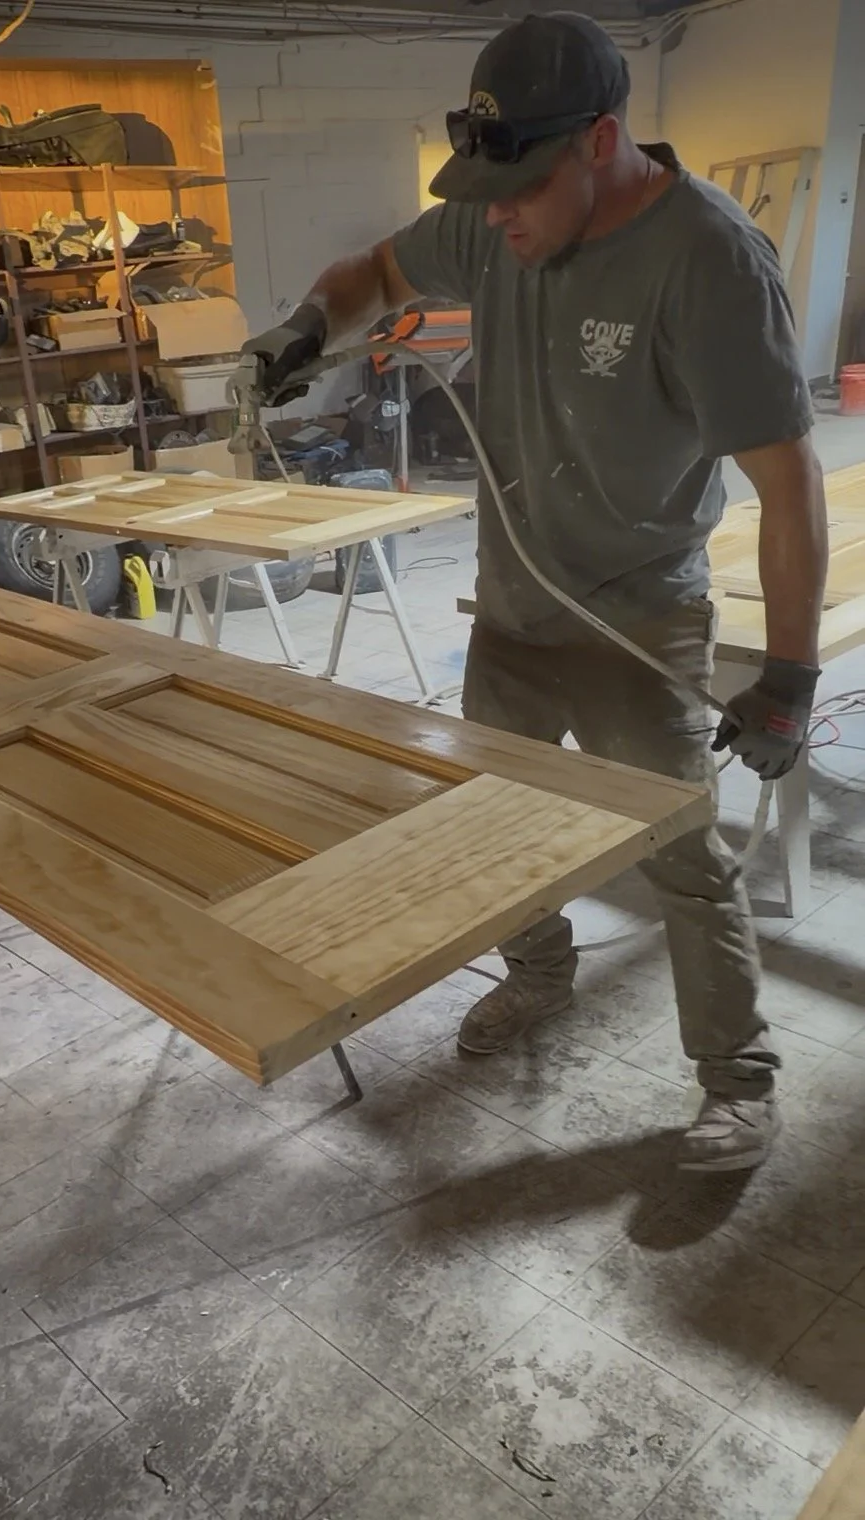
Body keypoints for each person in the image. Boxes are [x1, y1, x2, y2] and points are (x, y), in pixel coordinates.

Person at [242, 9, 828, 1172]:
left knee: (680, 854)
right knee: (491, 825)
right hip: (511, 603)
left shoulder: (710, 261)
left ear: (601, 141)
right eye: (484, 188)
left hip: (636, 611)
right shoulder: (492, 215)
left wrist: (790, 677)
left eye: (519, 187)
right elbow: (375, 267)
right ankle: (538, 977)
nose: (493, 212)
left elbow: (791, 481)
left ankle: (736, 1076)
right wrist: (311, 322)